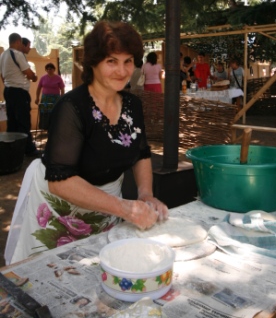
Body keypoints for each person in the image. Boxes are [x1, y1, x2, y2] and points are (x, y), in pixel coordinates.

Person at [5, 21, 168, 265]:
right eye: (111, 61)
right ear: (94, 62)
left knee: (100, 268)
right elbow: (60, 182)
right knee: (56, 272)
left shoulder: (132, 105)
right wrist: (125, 209)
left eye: (128, 61)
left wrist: (145, 195)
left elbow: (142, 152)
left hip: (108, 208)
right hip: (60, 210)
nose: (122, 71)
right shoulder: (72, 107)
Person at [0, 33, 39, 156]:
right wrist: (34, 77)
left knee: (12, 121)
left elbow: (2, 75)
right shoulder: (17, 54)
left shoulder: (3, 55)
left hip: (8, 90)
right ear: (18, 41)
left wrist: (8, 84)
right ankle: (28, 149)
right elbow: (28, 72)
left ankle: (11, 149)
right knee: (23, 121)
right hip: (19, 92)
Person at [35, 63, 65, 129]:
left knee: (55, 112)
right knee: (45, 113)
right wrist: (37, 98)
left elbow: (62, 88)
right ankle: (45, 127)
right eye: (47, 69)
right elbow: (39, 88)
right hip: (45, 98)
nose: (49, 70)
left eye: (50, 69)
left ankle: (55, 127)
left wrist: (62, 97)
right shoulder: (43, 78)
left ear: (54, 69)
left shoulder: (58, 78)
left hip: (55, 98)